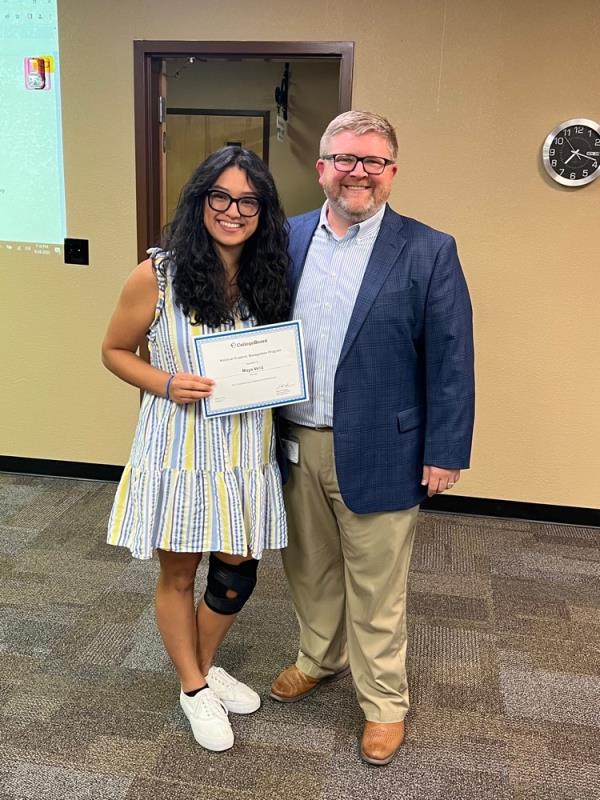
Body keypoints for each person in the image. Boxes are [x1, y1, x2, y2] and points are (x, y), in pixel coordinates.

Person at [270, 111, 475, 766]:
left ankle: (385, 703)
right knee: (308, 568)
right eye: (346, 159)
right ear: (321, 167)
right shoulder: (285, 237)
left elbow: (451, 358)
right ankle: (318, 657)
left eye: (373, 160)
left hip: (387, 445)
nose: (358, 172)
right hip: (296, 442)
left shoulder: (428, 249)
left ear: (391, 171)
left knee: (378, 589)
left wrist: (445, 449)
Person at [102, 146, 290, 753]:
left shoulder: (272, 274)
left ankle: (201, 675)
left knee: (238, 570)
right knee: (180, 572)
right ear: (200, 199)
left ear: (262, 209)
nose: (233, 211)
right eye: (221, 196)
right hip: (180, 448)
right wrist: (164, 381)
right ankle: (192, 688)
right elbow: (114, 350)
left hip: (243, 449)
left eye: (247, 201)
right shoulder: (157, 273)